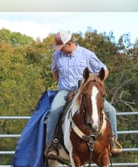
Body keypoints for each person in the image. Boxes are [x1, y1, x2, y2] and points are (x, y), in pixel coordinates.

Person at [45, 30, 122, 159]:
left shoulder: (86, 54)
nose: (60, 50)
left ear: (69, 44)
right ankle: (52, 144)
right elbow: (55, 71)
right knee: (54, 111)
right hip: (65, 91)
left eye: (61, 46)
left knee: (111, 111)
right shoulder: (56, 56)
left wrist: (96, 86)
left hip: (84, 91)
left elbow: (104, 70)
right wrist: (61, 85)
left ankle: (112, 141)